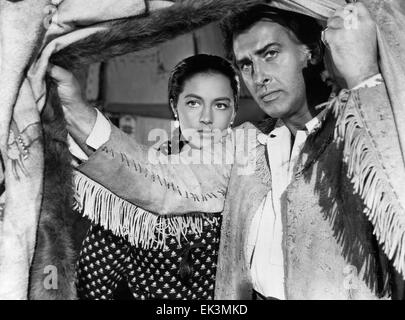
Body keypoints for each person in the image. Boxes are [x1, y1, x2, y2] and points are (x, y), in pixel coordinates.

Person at [51, 3, 404, 299]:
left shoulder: (355, 128)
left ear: (309, 52)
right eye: (247, 64)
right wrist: (76, 109)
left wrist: (364, 76)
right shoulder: (246, 144)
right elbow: (163, 183)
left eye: (270, 54)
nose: (259, 76)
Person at [51, 54, 239, 300]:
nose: (206, 118)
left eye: (220, 105)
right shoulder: (134, 180)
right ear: (175, 107)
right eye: (193, 103)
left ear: (234, 110)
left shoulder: (249, 174)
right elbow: (95, 280)